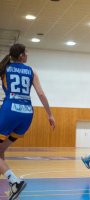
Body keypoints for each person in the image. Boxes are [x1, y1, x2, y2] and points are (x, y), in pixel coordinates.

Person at [0, 44, 55, 199]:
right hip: (27, 115)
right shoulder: (31, 71)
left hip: (10, 111)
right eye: (27, 53)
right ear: (22, 56)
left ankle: (14, 181)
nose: (28, 55)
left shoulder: (5, 68)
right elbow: (41, 94)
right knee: (0, 151)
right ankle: (12, 186)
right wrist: (50, 114)